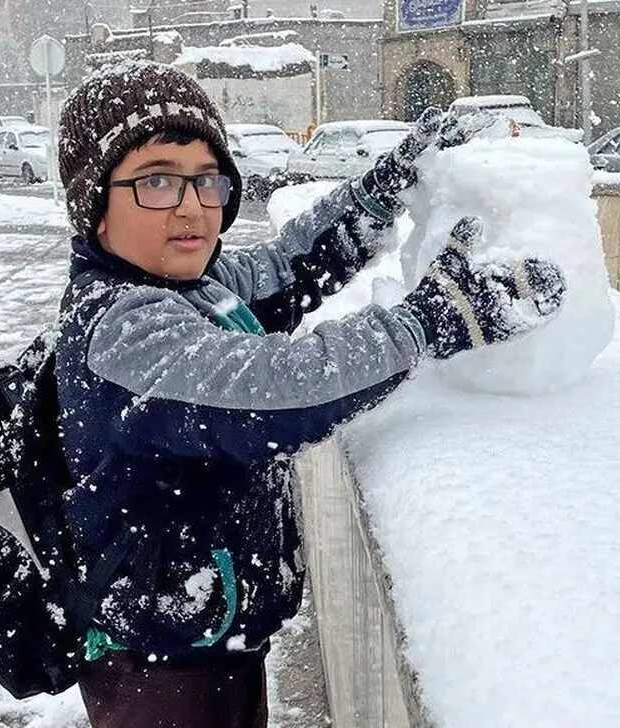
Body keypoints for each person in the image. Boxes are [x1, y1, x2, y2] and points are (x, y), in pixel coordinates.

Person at [54, 60, 567, 728]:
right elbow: (278, 390)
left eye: (207, 179)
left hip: (208, 633)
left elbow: (288, 267)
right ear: (93, 202)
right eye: (156, 180)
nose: (192, 206)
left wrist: (376, 195)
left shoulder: (192, 285)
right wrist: (427, 321)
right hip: (159, 667)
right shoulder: (124, 330)